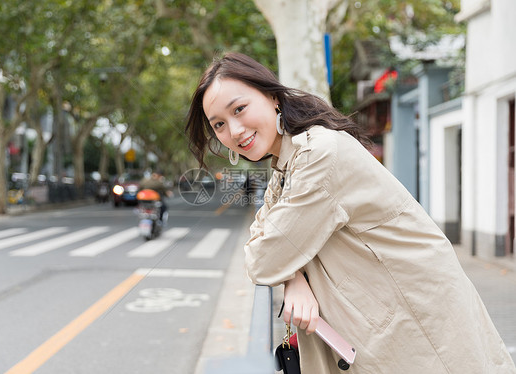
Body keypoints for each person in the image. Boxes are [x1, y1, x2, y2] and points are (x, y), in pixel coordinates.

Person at [185, 52, 516, 373]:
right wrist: (293, 277)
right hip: (387, 322)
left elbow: (263, 258)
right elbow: (266, 239)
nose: (235, 130)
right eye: (219, 124)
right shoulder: (288, 163)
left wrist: (284, 267)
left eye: (239, 109)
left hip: (417, 324)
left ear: (272, 96)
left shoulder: (317, 155)